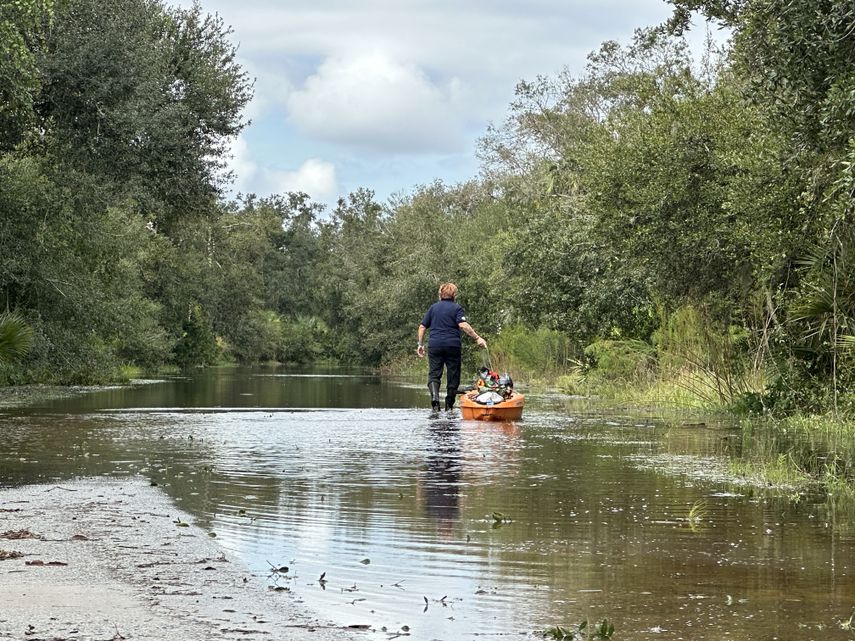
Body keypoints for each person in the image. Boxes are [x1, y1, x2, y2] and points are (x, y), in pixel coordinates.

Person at [416, 282, 487, 412]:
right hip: (452, 346)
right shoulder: (457, 308)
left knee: (434, 374)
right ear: (454, 295)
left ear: (440, 294)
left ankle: (435, 399)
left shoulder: (433, 308)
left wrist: (420, 344)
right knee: (453, 375)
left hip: (435, 345)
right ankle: (449, 405)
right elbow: (463, 325)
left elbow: (422, 327)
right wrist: (477, 338)